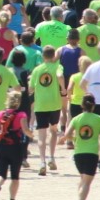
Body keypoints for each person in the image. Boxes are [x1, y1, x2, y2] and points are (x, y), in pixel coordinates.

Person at [0, 90, 32, 200]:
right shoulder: (22, 115)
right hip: (15, 148)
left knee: (1, 173)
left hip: (1, 147)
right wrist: (31, 135)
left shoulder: (0, 114)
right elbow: (25, 130)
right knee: (15, 176)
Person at [65, 96, 100, 200]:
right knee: (87, 182)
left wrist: (76, 139)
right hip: (91, 153)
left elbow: (67, 135)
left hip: (78, 153)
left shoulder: (77, 118)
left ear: (82, 105)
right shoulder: (99, 119)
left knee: (83, 180)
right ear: (93, 105)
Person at [31, 45, 65, 173]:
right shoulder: (58, 66)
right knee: (54, 130)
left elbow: (31, 88)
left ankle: (42, 162)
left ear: (43, 56)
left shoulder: (37, 69)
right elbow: (60, 76)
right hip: (54, 103)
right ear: (53, 56)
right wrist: (63, 88)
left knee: (41, 135)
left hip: (40, 104)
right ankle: (51, 156)